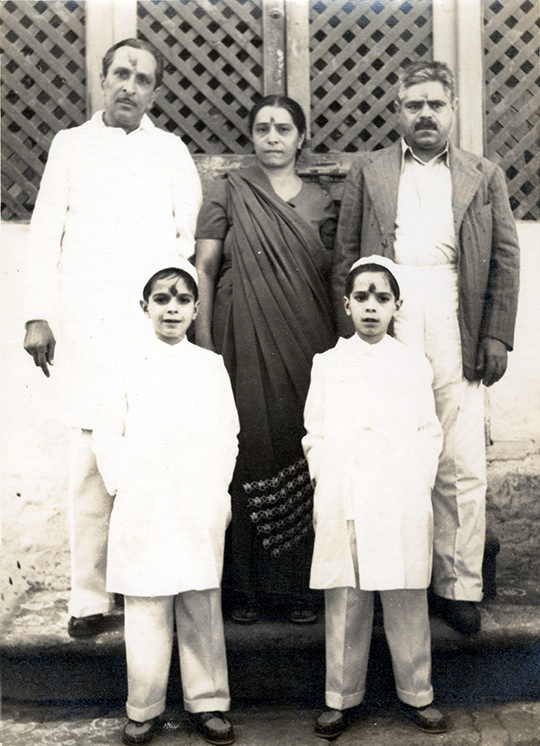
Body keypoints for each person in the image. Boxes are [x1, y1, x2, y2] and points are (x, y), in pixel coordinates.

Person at [332, 60, 520, 636]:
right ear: (399, 111)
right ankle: (401, 579)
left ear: (452, 109)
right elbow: (346, 253)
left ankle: (459, 585)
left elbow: (506, 259)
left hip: (453, 312)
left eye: (435, 104)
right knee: (388, 448)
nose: (425, 115)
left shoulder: (482, 174)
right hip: (387, 311)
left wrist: (494, 334)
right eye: (414, 105)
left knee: (459, 458)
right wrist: (355, 338)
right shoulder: (371, 171)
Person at [22, 39, 202, 637]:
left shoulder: (170, 151)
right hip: (88, 328)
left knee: (150, 456)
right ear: (103, 80)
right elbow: (46, 232)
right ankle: (89, 598)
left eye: (142, 78)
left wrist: (173, 317)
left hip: (150, 330)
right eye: (120, 74)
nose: (130, 85)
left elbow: (186, 238)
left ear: (154, 91)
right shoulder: (70, 146)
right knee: (90, 465)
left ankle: (142, 584)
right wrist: (37, 314)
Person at [195, 95, 337, 623]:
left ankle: (300, 590)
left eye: (283, 128)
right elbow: (204, 271)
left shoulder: (324, 200)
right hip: (242, 340)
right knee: (248, 450)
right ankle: (245, 591)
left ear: (302, 137)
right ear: (251, 137)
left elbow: (331, 274)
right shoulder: (228, 192)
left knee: (304, 450)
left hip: (307, 340)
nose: (272, 136)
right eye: (262, 128)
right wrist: (205, 343)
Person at [92, 262, 239, 746]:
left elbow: (227, 434)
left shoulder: (208, 365)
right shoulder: (126, 364)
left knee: (200, 598)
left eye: (181, 300)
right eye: (162, 299)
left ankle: (209, 700)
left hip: (197, 497)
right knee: (147, 603)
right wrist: (123, 485)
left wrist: (214, 487)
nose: (172, 308)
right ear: (145, 307)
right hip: (145, 498)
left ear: (197, 310)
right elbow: (108, 432)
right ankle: (144, 706)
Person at [304, 256, 445, 739]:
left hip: (399, 494)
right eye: (361, 296)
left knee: (405, 594)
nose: (370, 306)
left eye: (381, 298)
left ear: (396, 306)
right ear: (346, 304)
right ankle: (340, 698)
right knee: (347, 598)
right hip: (347, 492)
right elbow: (314, 431)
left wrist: (415, 480)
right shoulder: (328, 363)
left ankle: (418, 694)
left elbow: (429, 430)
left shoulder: (412, 363)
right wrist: (328, 474)